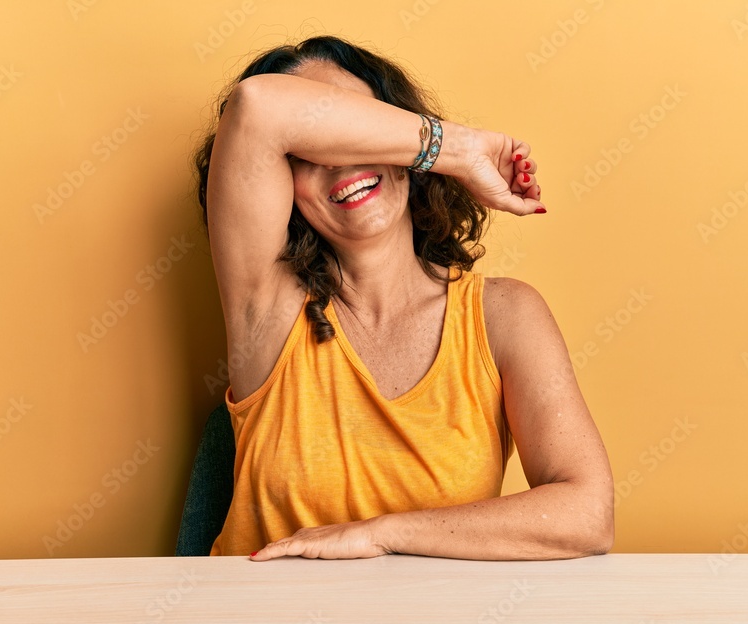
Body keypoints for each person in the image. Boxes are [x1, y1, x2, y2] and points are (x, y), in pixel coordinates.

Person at [193, 35, 613, 561]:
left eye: (358, 132)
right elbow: (256, 107)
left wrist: (380, 533)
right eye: (310, 149)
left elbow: (587, 514)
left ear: (401, 147)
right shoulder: (267, 305)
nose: (342, 165)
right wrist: (457, 151)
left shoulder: (505, 315)